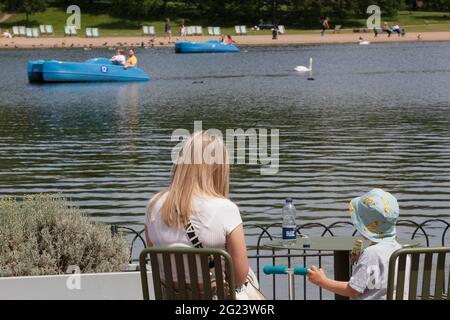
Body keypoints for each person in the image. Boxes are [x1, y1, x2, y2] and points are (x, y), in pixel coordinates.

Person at [144, 131, 251, 289]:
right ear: (218, 168)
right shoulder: (226, 209)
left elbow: (156, 261)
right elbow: (239, 278)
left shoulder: (154, 205)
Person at [308, 188, 404, 300]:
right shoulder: (400, 250)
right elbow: (378, 284)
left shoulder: (371, 253)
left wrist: (322, 281)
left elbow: (353, 290)